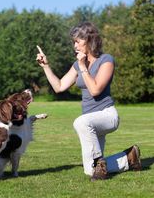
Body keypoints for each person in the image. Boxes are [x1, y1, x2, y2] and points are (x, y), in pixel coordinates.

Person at [36, 22, 141, 181]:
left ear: (90, 40)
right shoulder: (77, 65)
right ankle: (129, 158)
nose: (75, 45)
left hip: (107, 115)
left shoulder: (106, 60)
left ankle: (100, 162)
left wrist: (82, 66)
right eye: (74, 42)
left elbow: (95, 90)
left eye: (78, 41)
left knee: (80, 122)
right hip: (90, 122)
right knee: (90, 171)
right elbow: (59, 86)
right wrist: (46, 66)